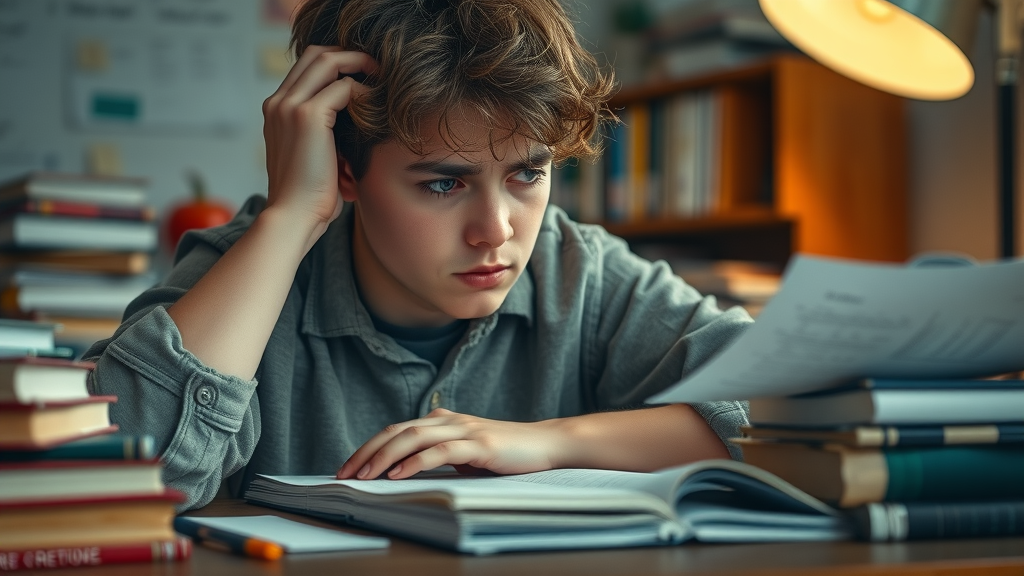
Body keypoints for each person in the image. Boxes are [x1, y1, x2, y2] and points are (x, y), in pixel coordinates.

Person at [85, 0, 751, 511]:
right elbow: (104, 483)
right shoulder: (251, 268)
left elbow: (795, 414)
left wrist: (546, 444)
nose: (495, 231)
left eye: (527, 174)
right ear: (346, 171)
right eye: (443, 183)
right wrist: (291, 218)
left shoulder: (581, 271)